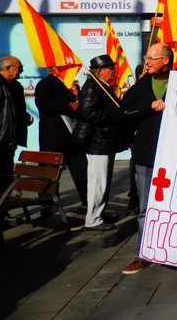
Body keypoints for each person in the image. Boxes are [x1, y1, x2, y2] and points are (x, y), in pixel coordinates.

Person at [121, 43, 173, 275]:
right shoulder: (139, 87)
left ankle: (176, 254)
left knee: (175, 207)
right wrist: (149, 107)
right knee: (145, 208)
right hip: (146, 156)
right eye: (146, 57)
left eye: (153, 57)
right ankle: (143, 253)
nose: (148, 61)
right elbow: (123, 115)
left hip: (174, 156)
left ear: (166, 60)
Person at [73, 55, 123, 232]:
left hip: (104, 140)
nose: (113, 72)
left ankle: (99, 213)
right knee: (98, 182)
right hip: (98, 141)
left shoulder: (102, 86)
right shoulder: (92, 87)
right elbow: (89, 112)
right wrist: (116, 115)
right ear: (100, 71)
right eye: (110, 69)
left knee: (104, 181)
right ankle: (93, 219)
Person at [35, 68, 88, 211]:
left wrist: (77, 95)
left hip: (73, 136)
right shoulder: (45, 84)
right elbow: (44, 106)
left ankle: (87, 201)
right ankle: (46, 204)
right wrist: (67, 105)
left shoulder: (70, 84)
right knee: (49, 172)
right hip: (53, 137)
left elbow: (81, 106)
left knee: (81, 169)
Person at [0, 56, 32, 198]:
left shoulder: (16, 86)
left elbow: (14, 109)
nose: (21, 71)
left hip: (10, 142)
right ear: (7, 68)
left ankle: (2, 214)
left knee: (5, 180)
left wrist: (23, 117)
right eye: (19, 68)